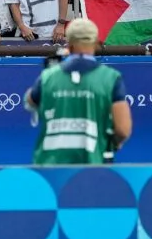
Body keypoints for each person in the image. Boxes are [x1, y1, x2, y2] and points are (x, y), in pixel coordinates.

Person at [26, 18, 131, 164]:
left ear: (69, 44)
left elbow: (30, 101)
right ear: (96, 42)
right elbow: (123, 130)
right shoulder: (111, 78)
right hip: (92, 165)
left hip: (50, 168)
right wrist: (113, 143)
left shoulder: (48, 76)